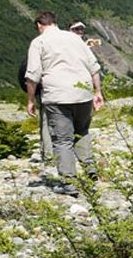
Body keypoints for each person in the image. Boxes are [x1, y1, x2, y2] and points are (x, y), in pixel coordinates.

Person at [25, 11, 105, 194]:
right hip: (83, 93)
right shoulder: (74, 38)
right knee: (82, 131)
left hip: (57, 96)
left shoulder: (38, 43)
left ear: (39, 26)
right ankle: (90, 168)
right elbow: (94, 66)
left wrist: (30, 100)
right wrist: (97, 91)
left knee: (62, 140)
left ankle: (70, 183)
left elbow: (32, 75)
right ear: (55, 23)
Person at [17, 58, 53, 162]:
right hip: (60, 89)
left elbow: (31, 77)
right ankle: (53, 154)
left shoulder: (38, 51)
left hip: (43, 91)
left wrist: (31, 99)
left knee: (46, 121)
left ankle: (47, 154)